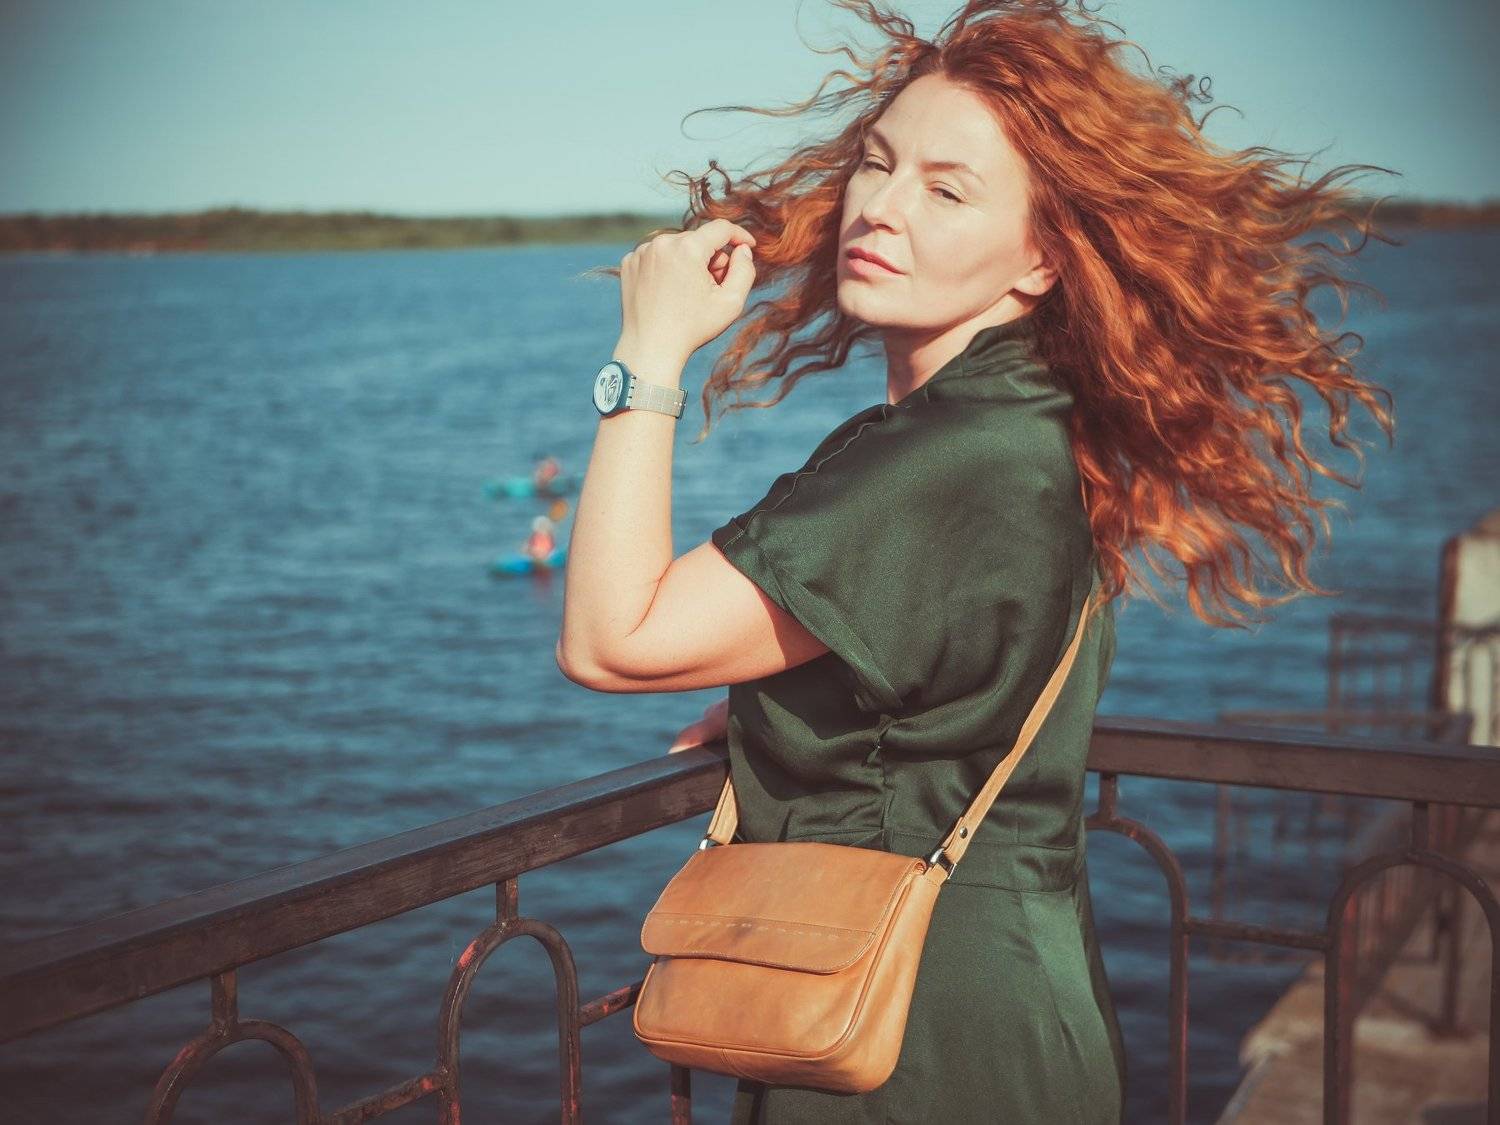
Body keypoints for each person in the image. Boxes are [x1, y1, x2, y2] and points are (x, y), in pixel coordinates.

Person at [557, 2, 1394, 1121]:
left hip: (907, 1042)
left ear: (1042, 260)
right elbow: (948, 691)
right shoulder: (1023, 427)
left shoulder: (948, 457)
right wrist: (786, 708)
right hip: (996, 1007)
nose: (881, 207)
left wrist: (648, 352)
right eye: (877, 163)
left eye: (946, 191)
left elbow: (612, 640)